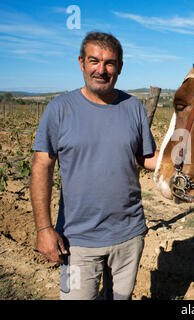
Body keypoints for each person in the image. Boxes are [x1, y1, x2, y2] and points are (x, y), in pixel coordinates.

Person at [30, 31, 159, 300]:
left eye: (110, 63)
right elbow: (42, 166)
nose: (101, 70)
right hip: (77, 242)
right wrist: (44, 229)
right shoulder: (60, 109)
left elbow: (146, 158)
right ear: (81, 63)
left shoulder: (133, 107)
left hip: (129, 236)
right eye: (94, 61)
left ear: (120, 68)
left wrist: (187, 161)